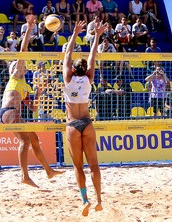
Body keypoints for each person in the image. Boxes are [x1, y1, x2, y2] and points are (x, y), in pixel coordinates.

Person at [0, 14, 63, 188]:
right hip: (8, 112)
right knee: (25, 141)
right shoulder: (16, 75)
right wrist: (28, 28)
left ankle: (49, 171)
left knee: (34, 139)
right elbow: (23, 50)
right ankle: (24, 176)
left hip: (14, 112)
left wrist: (39, 93)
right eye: (18, 65)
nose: (21, 65)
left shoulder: (25, 86)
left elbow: (34, 109)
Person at [62, 20, 106, 216]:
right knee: (94, 166)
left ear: (72, 69)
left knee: (78, 167)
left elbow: (67, 54)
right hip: (87, 123)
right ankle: (99, 200)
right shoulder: (89, 79)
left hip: (72, 124)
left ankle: (85, 200)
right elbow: (92, 56)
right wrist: (96, 36)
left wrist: (75, 33)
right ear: (85, 69)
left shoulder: (68, 79)